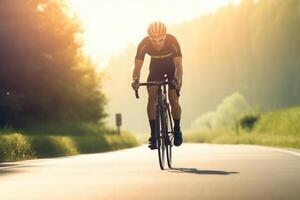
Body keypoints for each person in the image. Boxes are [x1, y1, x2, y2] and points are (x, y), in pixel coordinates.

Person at [131, 21, 183, 149]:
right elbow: (137, 68)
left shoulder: (172, 41)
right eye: (154, 41)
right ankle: (154, 135)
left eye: (161, 40)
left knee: (173, 98)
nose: (158, 44)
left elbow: (178, 66)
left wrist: (177, 79)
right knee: (151, 97)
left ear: (165, 36)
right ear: (149, 38)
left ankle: (176, 129)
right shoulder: (144, 44)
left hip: (172, 69)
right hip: (155, 69)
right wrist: (136, 80)